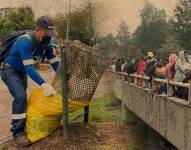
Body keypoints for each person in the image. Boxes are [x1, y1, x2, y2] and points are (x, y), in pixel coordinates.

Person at [0, 16, 59, 146]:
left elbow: (56, 65)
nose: (49, 37)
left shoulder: (46, 46)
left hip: (21, 73)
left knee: (24, 98)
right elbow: (30, 69)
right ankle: (18, 133)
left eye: (51, 34)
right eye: (47, 34)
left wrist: (65, 77)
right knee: (20, 97)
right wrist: (44, 85)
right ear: (38, 30)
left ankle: (25, 125)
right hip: (9, 71)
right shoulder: (25, 41)